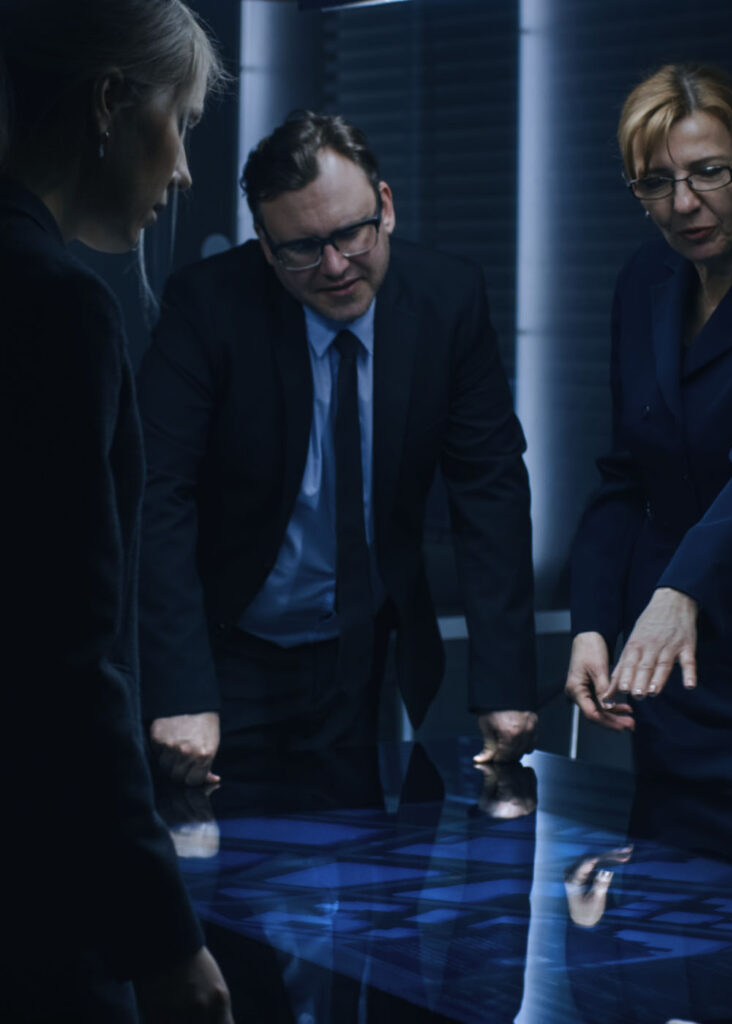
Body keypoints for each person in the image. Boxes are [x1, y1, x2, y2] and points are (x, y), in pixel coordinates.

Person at [137, 110, 538, 786]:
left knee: (363, 845)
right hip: (230, 651)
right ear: (266, 245)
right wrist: (180, 690)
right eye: (301, 246)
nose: (334, 266)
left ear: (385, 206)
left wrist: (505, 681)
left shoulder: (447, 299)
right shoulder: (208, 307)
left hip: (362, 652)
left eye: (352, 233)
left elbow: (489, 485)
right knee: (219, 847)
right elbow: (157, 492)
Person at [0, 1, 233, 1020]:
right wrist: (165, 940)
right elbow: (62, 663)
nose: (181, 171)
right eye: (180, 121)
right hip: (35, 899)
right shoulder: (52, 305)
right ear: (108, 104)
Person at [565, 63, 732, 798]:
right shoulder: (645, 278)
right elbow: (624, 474)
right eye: (655, 183)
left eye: (708, 172)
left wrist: (678, 592)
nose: (684, 203)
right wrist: (592, 622)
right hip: (668, 675)